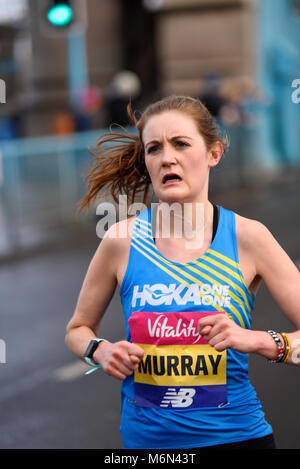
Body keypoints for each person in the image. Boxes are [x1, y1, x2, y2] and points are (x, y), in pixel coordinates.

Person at [65, 95, 300, 450]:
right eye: (154, 148)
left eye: (180, 144)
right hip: (148, 446)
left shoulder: (248, 237)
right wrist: (99, 350)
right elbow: (77, 330)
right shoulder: (121, 240)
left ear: (214, 154)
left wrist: (256, 340)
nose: (166, 158)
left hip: (236, 438)